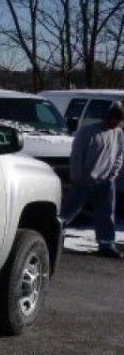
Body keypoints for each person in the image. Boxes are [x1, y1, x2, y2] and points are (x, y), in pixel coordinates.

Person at [61, 101, 124, 258]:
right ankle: (53, 235)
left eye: (120, 120)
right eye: (114, 118)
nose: (116, 122)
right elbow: (76, 156)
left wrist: (113, 174)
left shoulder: (118, 133)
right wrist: (77, 176)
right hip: (84, 180)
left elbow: (119, 155)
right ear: (107, 117)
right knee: (70, 211)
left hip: (105, 181)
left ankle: (106, 243)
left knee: (106, 213)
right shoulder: (87, 132)